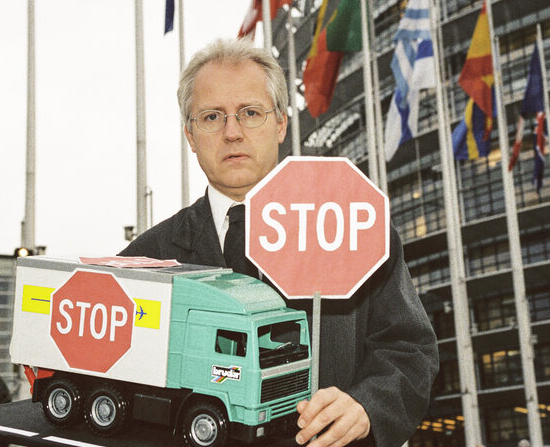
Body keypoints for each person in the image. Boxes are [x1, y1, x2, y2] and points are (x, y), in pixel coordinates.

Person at [120, 38, 438, 447]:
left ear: (281, 124)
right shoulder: (142, 260)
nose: (232, 132)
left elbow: (411, 349)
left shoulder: (355, 225)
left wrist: (366, 407)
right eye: (212, 117)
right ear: (190, 135)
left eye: (250, 113)